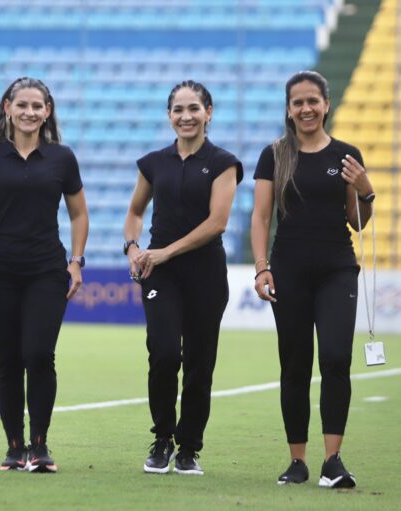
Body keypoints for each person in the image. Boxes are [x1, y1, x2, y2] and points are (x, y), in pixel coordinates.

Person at [0, 77, 88, 473]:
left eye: (37, 106)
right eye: (22, 105)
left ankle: (40, 446)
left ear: (47, 111)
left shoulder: (62, 158)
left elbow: (79, 214)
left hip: (46, 271)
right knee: (7, 361)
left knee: (39, 355)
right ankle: (15, 448)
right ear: (7, 108)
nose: (29, 112)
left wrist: (76, 261)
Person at [250, 70, 374, 488]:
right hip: (288, 271)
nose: (305, 109)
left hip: (337, 269)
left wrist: (365, 189)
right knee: (295, 364)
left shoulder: (347, 154)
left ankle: (332, 461)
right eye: (297, 102)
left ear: (326, 104)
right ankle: (298, 461)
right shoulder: (274, 155)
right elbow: (261, 217)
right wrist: (262, 267)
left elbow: (358, 221)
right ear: (289, 109)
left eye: (312, 101)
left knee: (336, 358)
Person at [123, 80, 243, 476]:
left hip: (205, 273)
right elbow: (135, 212)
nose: (186, 116)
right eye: (178, 109)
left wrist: (165, 251)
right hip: (161, 275)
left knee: (198, 363)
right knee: (162, 353)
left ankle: (189, 448)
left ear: (209, 112)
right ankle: (162, 439)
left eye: (194, 108)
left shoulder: (224, 163)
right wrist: (132, 247)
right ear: (169, 115)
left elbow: (217, 223)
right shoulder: (153, 163)